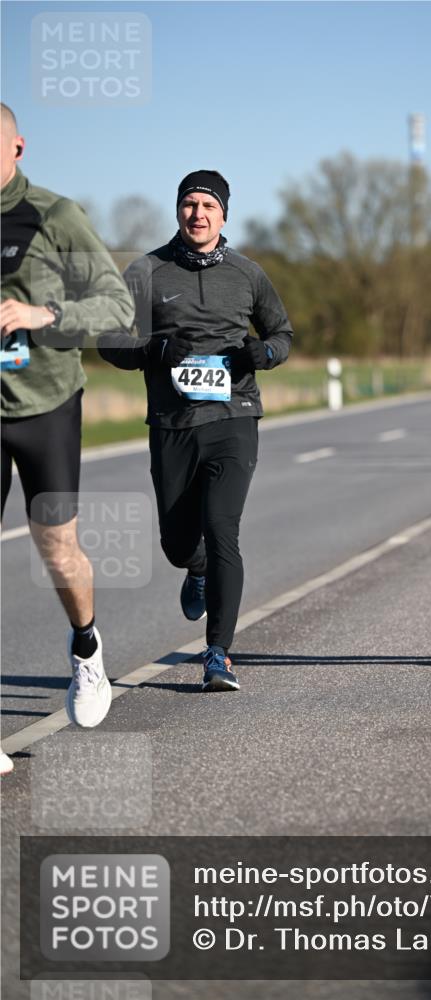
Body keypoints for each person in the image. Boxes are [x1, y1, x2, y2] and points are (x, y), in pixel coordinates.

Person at [98, 170, 293, 692]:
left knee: (222, 524)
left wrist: (265, 353)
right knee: (179, 541)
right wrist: (151, 350)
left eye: (208, 204)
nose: (198, 213)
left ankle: (218, 654)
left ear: (224, 214)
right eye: (189, 204)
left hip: (234, 418)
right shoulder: (148, 271)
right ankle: (197, 567)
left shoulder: (248, 274)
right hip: (173, 424)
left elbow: (282, 333)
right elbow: (107, 340)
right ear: (178, 211)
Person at [0, 103, 134, 735]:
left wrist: (42, 316)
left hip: (46, 406)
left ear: (18, 148)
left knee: (57, 548)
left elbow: (114, 305)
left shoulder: (55, 215)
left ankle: (86, 648)